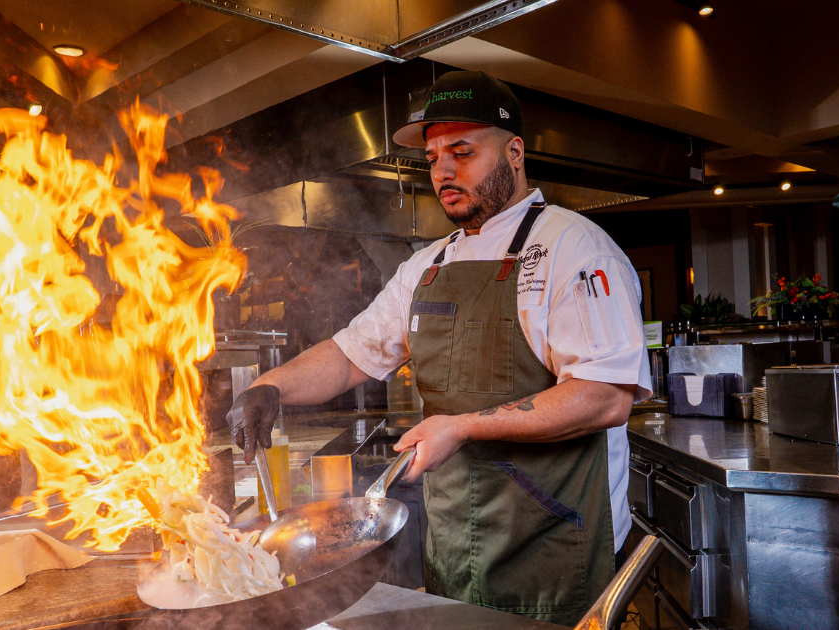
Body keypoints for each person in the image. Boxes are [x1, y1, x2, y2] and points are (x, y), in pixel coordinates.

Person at [228, 70, 651, 626]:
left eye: (462, 151)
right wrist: (270, 385)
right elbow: (351, 353)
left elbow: (604, 397)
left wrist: (463, 425)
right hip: (457, 551)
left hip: (557, 550)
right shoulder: (427, 266)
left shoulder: (572, 248)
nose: (443, 171)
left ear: (515, 152)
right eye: (432, 159)